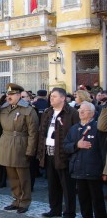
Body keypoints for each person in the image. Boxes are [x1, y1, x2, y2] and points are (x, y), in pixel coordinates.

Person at [0, 83, 39, 214]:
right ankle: (16, 200)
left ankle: (25, 201)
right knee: (12, 176)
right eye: (7, 94)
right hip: (6, 143)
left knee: (23, 176)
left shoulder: (28, 110)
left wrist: (30, 151)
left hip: (20, 144)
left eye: (12, 94)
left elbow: (33, 133)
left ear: (19, 95)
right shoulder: (4, 108)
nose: (8, 96)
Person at [37, 87, 79, 218]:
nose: (51, 98)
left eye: (54, 96)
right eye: (51, 96)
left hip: (64, 154)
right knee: (52, 185)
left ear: (63, 98)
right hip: (48, 152)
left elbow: (76, 134)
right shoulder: (48, 112)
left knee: (67, 186)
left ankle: (69, 212)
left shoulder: (72, 113)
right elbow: (41, 132)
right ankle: (54, 209)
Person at [63, 101, 107, 218]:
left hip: (94, 171)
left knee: (98, 201)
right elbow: (65, 146)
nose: (81, 112)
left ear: (92, 113)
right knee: (83, 201)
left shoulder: (98, 129)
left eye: (85, 110)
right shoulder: (74, 128)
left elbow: (103, 151)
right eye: (80, 109)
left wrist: (104, 170)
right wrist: (77, 145)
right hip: (78, 171)